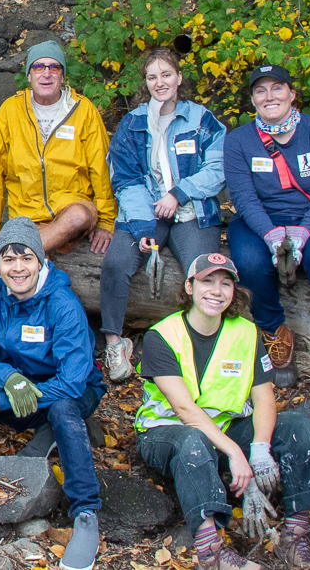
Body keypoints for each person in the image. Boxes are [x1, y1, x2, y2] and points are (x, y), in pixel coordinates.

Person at [132, 253, 310, 570]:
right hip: (165, 435)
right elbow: (184, 410)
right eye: (207, 281)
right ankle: (212, 553)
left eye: (225, 283)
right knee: (191, 439)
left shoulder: (246, 333)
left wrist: (260, 449)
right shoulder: (162, 336)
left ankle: (295, 537)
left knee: (297, 425)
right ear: (190, 286)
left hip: (221, 432)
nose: (217, 290)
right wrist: (237, 453)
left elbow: (264, 399)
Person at [0, 216, 105, 570]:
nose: (18, 268)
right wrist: (7, 377)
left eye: (26, 258)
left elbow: (72, 381)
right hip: (22, 381)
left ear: (40, 261)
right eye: (9, 259)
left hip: (70, 389)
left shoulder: (62, 303)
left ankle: (85, 513)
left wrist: (3, 399)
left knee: (64, 410)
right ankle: (45, 431)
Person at [97, 48, 227, 381]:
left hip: (191, 211)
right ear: (146, 83)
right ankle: (115, 343)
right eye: (152, 77)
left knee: (205, 272)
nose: (160, 83)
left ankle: (204, 347)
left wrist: (178, 193)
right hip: (146, 212)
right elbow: (124, 179)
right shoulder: (133, 123)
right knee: (115, 264)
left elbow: (218, 168)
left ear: (179, 78)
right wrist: (142, 227)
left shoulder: (201, 120)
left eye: (166, 74)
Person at [222, 64, 310, 385]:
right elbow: (244, 198)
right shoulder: (238, 141)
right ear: (252, 100)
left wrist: (301, 234)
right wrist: (270, 236)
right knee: (249, 259)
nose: (270, 97)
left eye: (277, 88)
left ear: (292, 94)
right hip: (261, 221)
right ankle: (275, 333)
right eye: (260, 91)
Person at [0, 39, 116, 259]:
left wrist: (107, 221)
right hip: (25, 213)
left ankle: (11, 256)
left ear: (62, 75)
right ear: (29, 76)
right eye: (39, 67)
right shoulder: (10, 111)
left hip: (70, 209)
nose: (46, 73)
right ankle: (34, 253)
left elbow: (101, 169)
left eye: (54, 67)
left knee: (78, 216)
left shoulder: (84, 110)